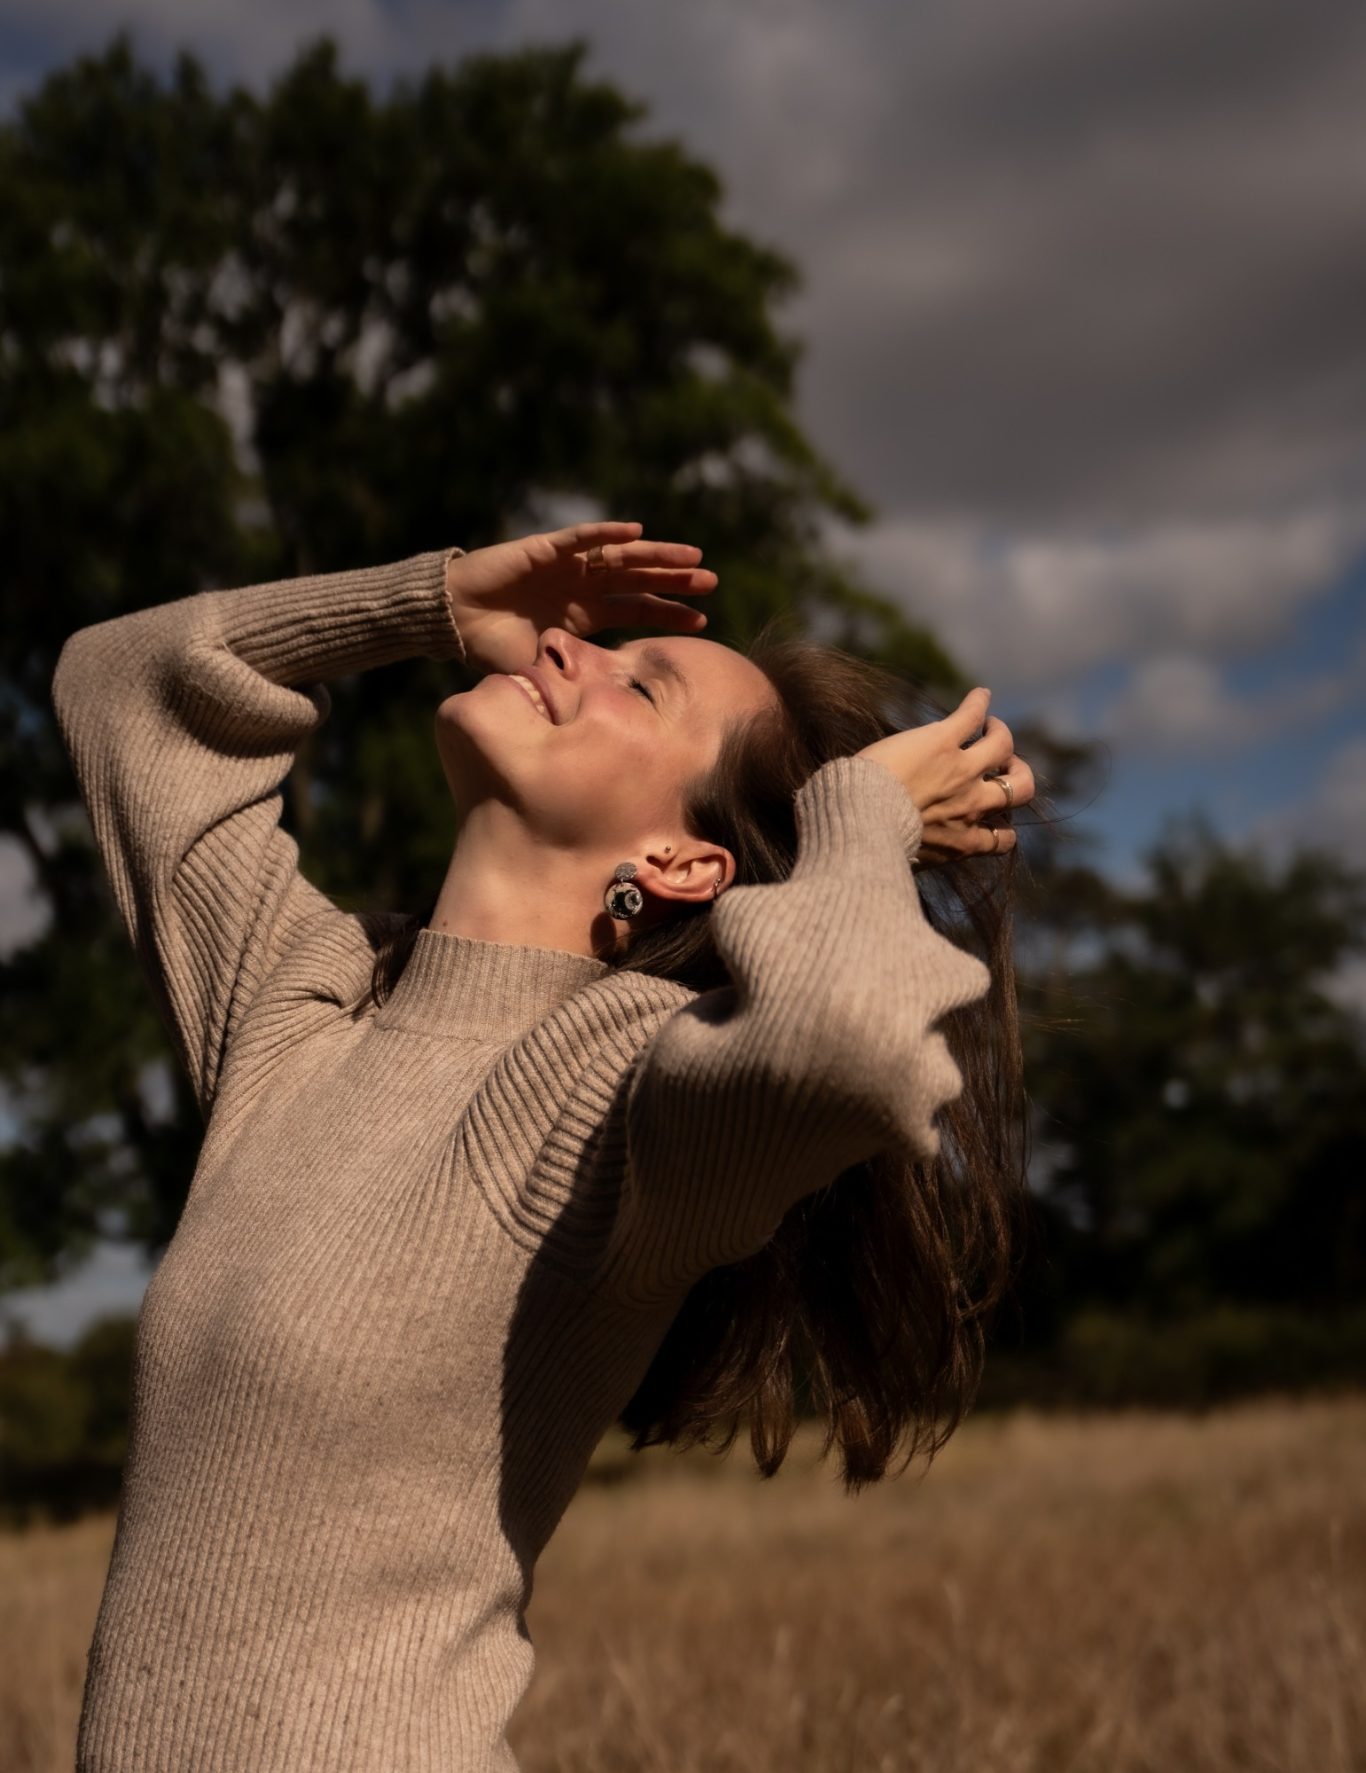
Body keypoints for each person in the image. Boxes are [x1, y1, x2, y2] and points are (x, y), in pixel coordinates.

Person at [52, 520, 1033, 1772]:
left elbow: (844, 1039)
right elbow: (115, 685)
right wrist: (436, 601)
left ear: (679, 863)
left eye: (642, 684)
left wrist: (862, 815)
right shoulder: (299, 1013)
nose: (574, 649)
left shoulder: (624, 1089)